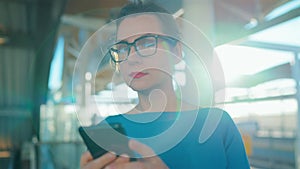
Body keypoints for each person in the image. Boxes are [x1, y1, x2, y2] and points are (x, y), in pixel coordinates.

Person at [80, 1, 250, 169]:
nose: (132, 57)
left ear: (176, 51)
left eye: (147, 43)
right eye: (123, 48)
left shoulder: (217, 126)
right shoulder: (109, 131)